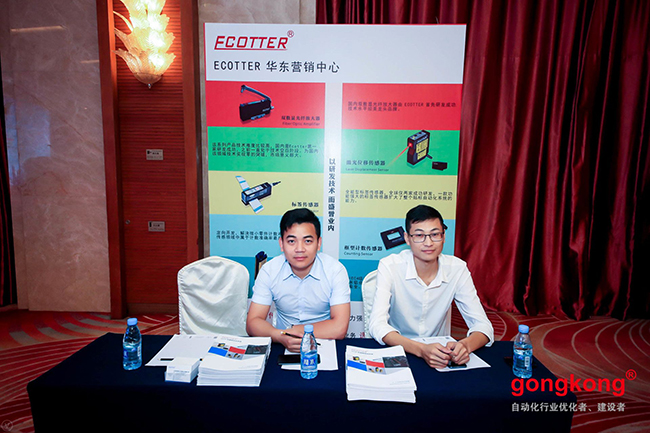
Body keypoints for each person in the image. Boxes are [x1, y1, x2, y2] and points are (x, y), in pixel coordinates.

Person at [368, 204, 494, 368]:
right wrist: (421, 350)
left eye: (435, 234)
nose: (428, 243)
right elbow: (377, 325)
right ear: (407, 238)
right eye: (419, 235)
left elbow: (483, 326)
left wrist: (465, 346)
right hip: (401, 348)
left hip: (440, 354)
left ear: (444, 236)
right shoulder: (390, 266)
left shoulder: (457, 269)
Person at [246, 208, 351, 352]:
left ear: (318, 243)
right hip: (282, 343)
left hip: (324, 342)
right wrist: (281, 336)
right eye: (291, 241)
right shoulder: (269, 271)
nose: (299, 249)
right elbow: (253, 322)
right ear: (281, 244)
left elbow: (339, 327)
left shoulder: (335, 271)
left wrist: (294, 331)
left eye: (307, 241)